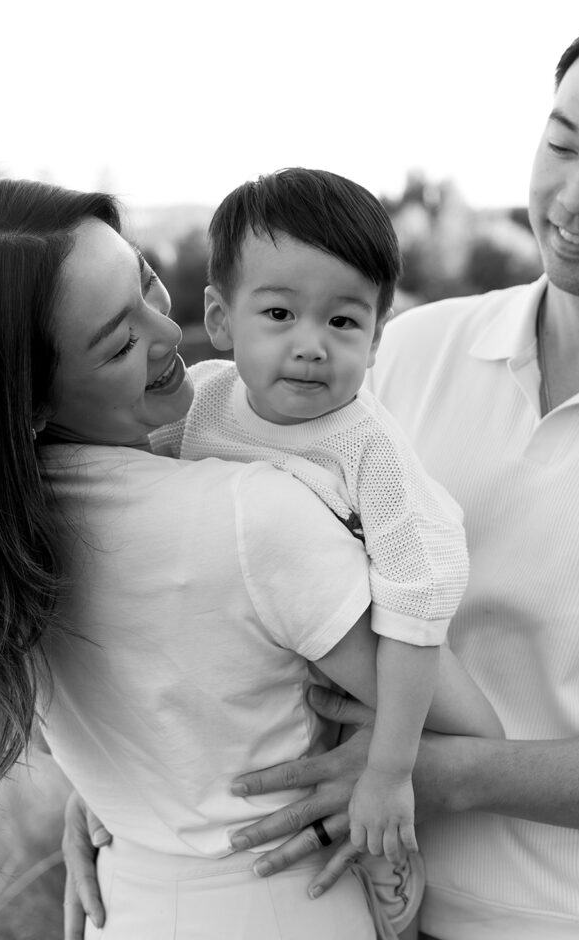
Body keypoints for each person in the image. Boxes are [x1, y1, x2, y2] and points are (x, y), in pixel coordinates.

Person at [154, 3, 579, 939]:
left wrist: (436, 773)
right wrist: (131, 800)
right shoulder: (410, 348)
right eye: (560, 144)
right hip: (359, 902)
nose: (575, 196)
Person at [0, 178, 499, 940]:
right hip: (277, 900)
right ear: (30, 398)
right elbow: (471, 729)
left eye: (147, 283)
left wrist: (111, 793)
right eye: (121, 342)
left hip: (120, 899)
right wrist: (382, 765)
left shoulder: (16, 529)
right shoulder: (251, 513)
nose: (166, 333)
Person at [151, 167, 486, 868]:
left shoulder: (371, 451)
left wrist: (391, 770)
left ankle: (391, 872)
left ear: (374, 337)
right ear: (219, 319)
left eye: (341, 321)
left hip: (370, 664)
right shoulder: (202, 404)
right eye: (279, 315)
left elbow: (414, 611)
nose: (311, 344)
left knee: (372, 808)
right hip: (246, 661)